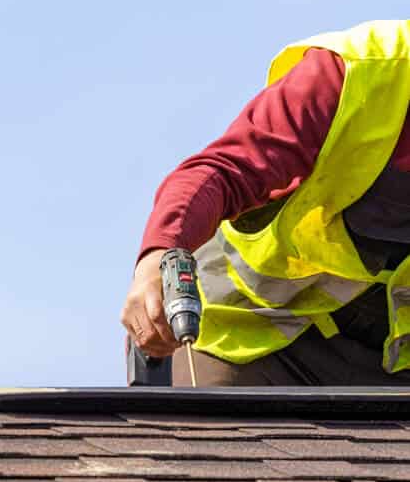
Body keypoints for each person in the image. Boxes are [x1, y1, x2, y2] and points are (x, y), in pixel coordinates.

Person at [121, 20, 410, 386]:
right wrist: (156, 260)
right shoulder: (357, 73)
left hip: (387, 362)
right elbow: (221, 173)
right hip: (246, 337)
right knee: (205, 436)